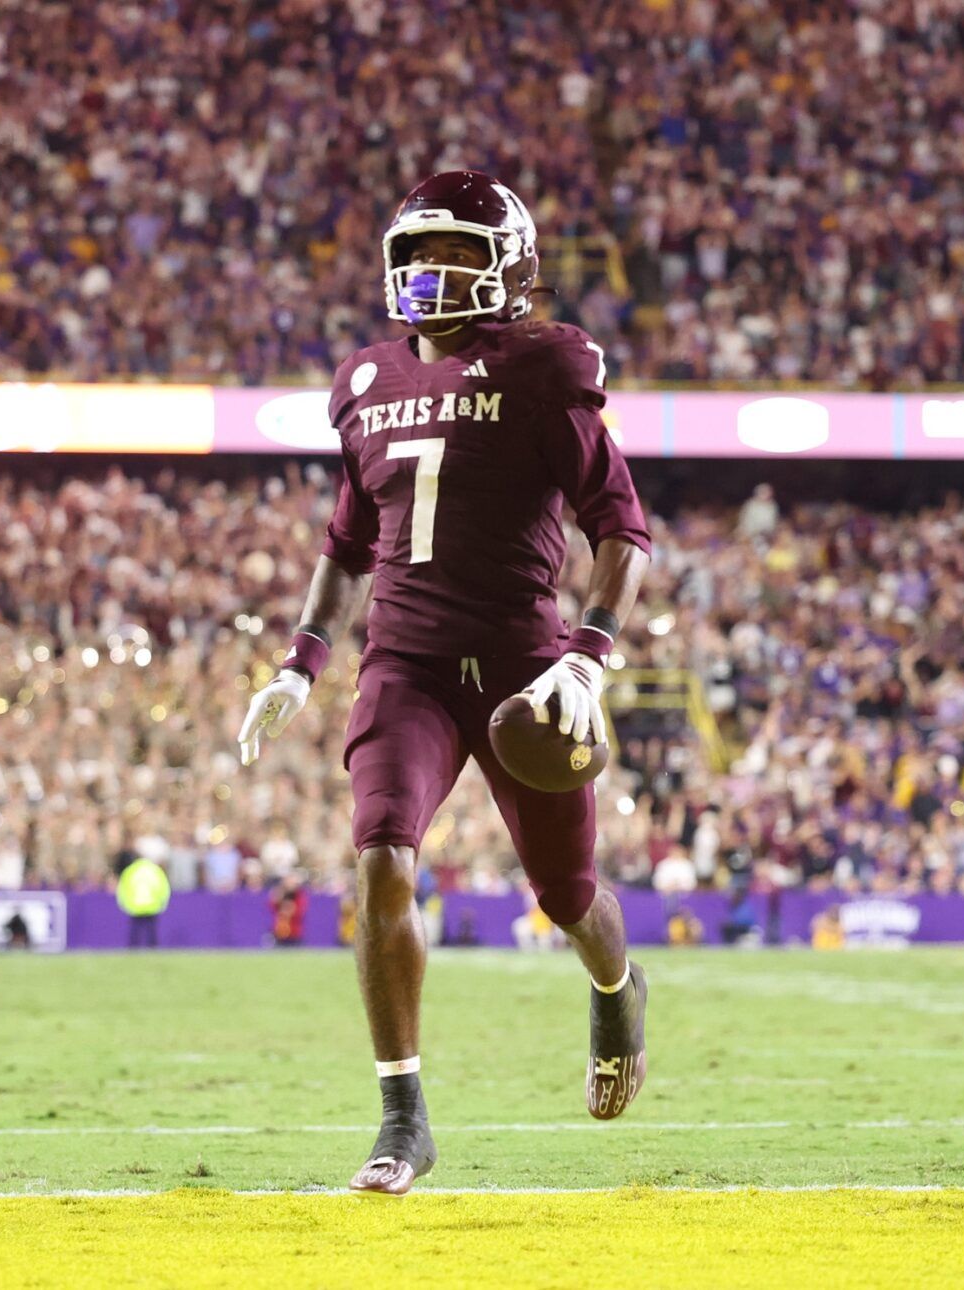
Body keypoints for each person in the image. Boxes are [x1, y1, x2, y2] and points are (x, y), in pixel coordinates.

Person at [236, 171, 654, 1195]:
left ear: (507, 266)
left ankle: (618, 984)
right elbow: (347, 544)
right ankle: (402, 1116)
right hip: (407, 663)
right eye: (419, 253)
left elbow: (622, 528)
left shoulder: (546, 366)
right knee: (379, 859)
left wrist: (589, 658)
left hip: (524, 664)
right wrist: (300, 659)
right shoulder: (366, 382)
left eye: (459, 253)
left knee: (565, 894)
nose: (433, 272)